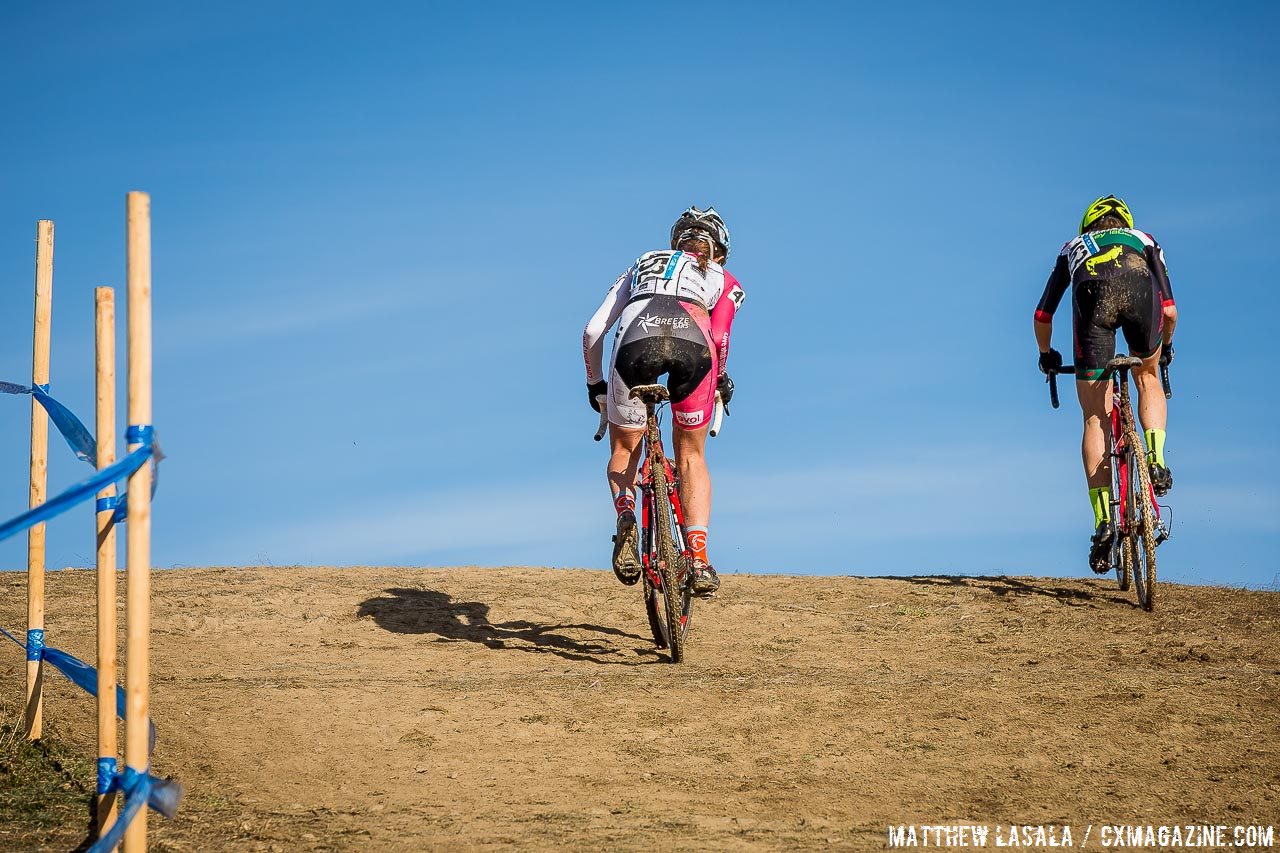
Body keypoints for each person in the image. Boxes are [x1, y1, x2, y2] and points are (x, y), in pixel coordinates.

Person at [582, 206, 745, 597]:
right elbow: (720, 336)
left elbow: (591, 331)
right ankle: (699, 558)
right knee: (690, 453)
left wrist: (596, 385)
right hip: (694, 343)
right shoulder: (725, 277)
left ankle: (625, 515)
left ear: (675, 243)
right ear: (718, 251)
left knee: (625, 446)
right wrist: (720, 379)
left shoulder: (641, 263)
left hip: (634, 340)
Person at [1034, 195, 1178, 573]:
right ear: (1124, 222)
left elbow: (1042, 312)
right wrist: (1164, 348)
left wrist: (1047, 354)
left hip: (1091, 299)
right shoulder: (1144, 240)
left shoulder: (1073, 248)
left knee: (1095, 417)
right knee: (1146, 376)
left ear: (1087, 226)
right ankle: (1157, 460)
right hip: (1139, 292)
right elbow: (1169, 311)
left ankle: (1102, 522)